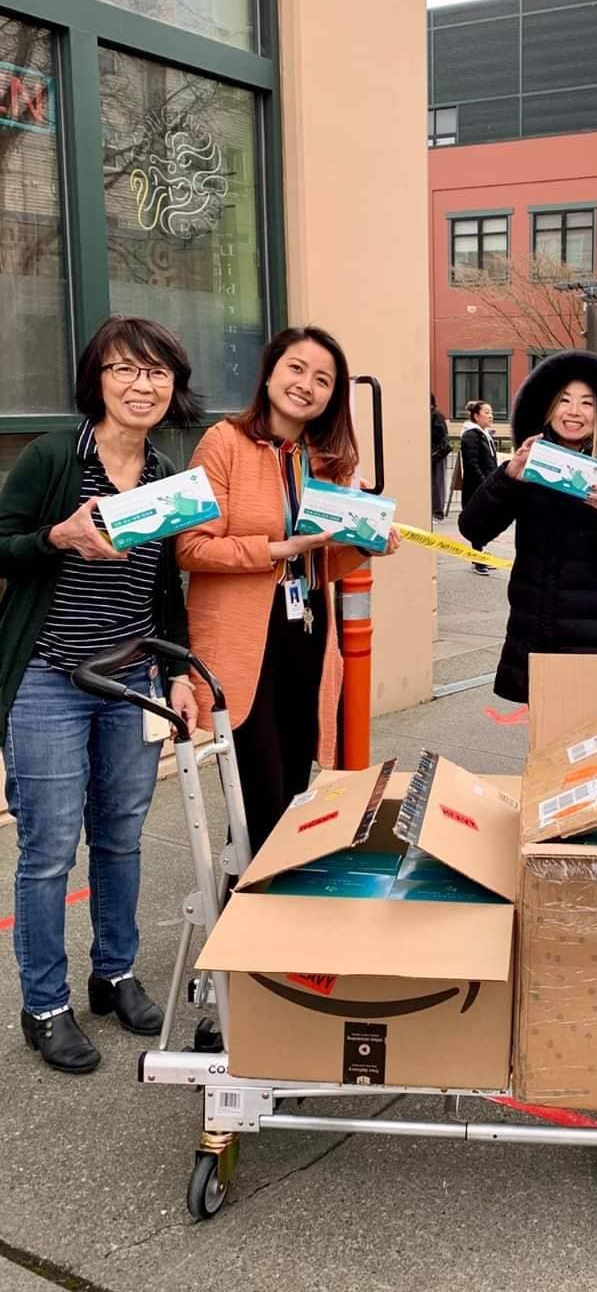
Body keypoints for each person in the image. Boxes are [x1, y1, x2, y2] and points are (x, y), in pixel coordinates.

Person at [0, 316, 202, 1074]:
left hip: (131, 680)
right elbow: (2, 545)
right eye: (125, 369)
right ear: (97, 380)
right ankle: (44, 1005)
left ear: (173, 385)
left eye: (157, 372)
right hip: (49, 679)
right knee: (50, 850)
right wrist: (55, 537)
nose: (141, 385)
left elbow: (166, 586)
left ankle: (113, 973)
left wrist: (177, 672)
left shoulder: (166, 474)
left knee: (121, 836)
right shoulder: (54, 457)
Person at [177, 326, 399, 855]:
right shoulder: (223, 442)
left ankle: (260, 888)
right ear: (270, 372)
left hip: (305, 632)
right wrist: (276, 549)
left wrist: (364, 546)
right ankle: (254, 893)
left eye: (323, 379)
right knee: (259, 794)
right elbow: (190, 547)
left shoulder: (323, 459)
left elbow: (319, 561)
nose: (306, 385)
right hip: (243, 640)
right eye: (296, 369)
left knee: (295, 784)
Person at [458, 349, 597, 704]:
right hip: (537, 637)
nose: (573, 411)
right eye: (564, 400)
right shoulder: (526, 472)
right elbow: (473, 529)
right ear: (548, 408)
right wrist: (507, 478)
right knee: (544, 736)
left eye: (587, 403)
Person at [459, 398, 498, 574]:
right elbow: (471, 464)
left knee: (485, 522)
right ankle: (477, 560)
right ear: (476, 416)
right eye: (487, 413)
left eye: (491, 412)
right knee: (477, 521)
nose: (491, 416)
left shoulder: (484, 434)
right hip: (476, 488)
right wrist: (484, 482)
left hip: (486, 485)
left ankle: (481, 555)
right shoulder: (471, 435)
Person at [431, 394, 451, 520]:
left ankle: (437, 510)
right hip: (435, 453)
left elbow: (439, 434)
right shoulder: (436, 415)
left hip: (436, 454)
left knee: (436, 482)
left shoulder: (436, 415)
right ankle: (436, 509)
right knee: (435, 481)